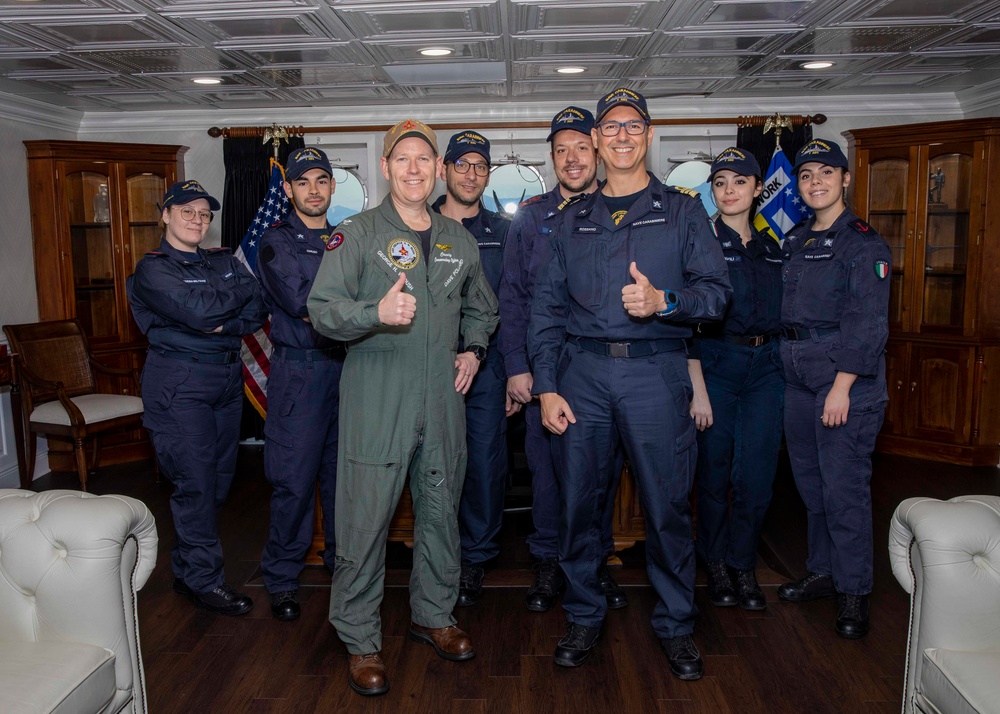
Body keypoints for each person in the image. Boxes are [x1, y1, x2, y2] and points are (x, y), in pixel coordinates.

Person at [528, 88, 731, 678]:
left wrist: (664, 301)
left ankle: (675, 624)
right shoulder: (571, 221)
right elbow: (544, 311)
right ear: (595, 140)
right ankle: (584, 614)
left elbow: (717, 296)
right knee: (578, 507)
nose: (621, 136)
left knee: (666, 507)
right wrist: (546, 387)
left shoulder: (683, 210)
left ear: (648, 135)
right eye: (610, 127)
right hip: (582, 375)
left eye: (632, 126)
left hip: (655, 373)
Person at [306, 119, 499, 696]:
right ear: (385, 169)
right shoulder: (356, 234)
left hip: (443, 401)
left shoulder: (456, 238)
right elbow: (322, 310)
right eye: (402, 159)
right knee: (364, 523)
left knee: (440, 515)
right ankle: (361, 639)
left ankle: (434, 615)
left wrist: (473, 350)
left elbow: (482, 308)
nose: (414, 169)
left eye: (424, 159)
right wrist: (373, 314)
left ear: (438, 170)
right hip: (377, 399)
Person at [499, 105, 628, 613]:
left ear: (597, 149)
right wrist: (517, 366)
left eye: (580, 147)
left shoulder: (625, 208)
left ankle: (594, 564)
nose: (571, 159)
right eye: (560, 151)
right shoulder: (533, 216)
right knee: (548, 472)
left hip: (605, 367)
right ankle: (550, 561)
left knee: (602, 472)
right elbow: (512, 295)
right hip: (547, 366)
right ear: (551, 158)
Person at [127, 179, 267, 616]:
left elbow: (257, 306)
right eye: (186, 211)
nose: (197, 220)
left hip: (226, 381)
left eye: (204, 214)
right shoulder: (154, 269)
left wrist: (218, 317)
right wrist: (219, 307)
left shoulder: (221, 259)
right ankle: (206, 580)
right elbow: (201, 311)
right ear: (165, 215)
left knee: (219, 482)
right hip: (179, 384)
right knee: (195, 483)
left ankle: (188, 571)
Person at [776, 139, 891, 639]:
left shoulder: (863, 242)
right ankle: (822, 572)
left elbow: (867, 323)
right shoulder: (797, 239)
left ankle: (853, 591)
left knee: (843, 490)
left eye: (826, 172)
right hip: (797, 376)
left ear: (845, 179)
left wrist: (843, 386)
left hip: (844, 380)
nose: (815, 182)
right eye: (806, 175)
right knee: (811, 486)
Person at [687, 148, 784, 612]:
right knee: (714, 473)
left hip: (766, 369)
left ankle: (743, 564)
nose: (729, 191)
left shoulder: (772, 247)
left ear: (757, 188)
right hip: (716, 366)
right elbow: (684, 325)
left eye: (739, 182)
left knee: (758, 477)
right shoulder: (701, 244)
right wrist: (698, 388)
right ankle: (716, 564)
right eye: (720, 182)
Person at [257, 147, 345, 621]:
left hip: (348, 369)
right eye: (303, 182)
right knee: (293, 482)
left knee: (341, 481)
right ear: (288, 189)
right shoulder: (276, 242)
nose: (314, 190)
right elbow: (303, 300)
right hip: (301, 371)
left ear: (332, 187)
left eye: (322, 180)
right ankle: (283, 577)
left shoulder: (346, 237)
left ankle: (342, 569)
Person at [431, 131, 513, 607]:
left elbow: (516, 304)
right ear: (445, 169)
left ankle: (475, 558)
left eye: (480, 166)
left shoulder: (504, 231)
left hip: (487, 367)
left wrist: (510, 373)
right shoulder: (419, 223)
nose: (471, 174)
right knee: (433, 465)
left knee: (483, 465)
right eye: (462, 165)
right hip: (427, 363)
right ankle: (439, 553)